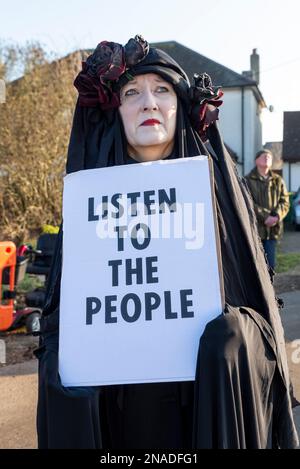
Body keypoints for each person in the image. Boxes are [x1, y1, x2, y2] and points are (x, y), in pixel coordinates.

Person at [36, 35, 298, 449]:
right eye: (131, 92)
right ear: (115, 109)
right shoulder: (90, 206)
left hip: (201, 405)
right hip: (123, 413)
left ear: (180, 106)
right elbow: (65, 311)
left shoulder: (221, 197)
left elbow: (258, 314)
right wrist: (62, 357)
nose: (149, 103)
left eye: (162, 90)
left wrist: (235, 335)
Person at [245, 150, 290, 270]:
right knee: (256, 267)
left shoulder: (278, 180)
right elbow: (247, 202)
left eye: (269, 156)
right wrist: (265, 217)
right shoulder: (247, 180)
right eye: (263, 156)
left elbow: (285, 201)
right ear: (256, 160)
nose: (267, 157)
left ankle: (269, 289)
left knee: (270, 266)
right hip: (255, 230)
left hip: (272, 230)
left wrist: (276, 216)